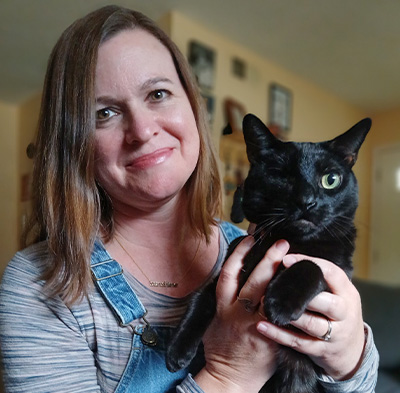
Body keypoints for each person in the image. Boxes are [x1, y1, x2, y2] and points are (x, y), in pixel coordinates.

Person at [0, 5, 378, 393]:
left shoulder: (248, 242)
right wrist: (228, 375)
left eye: (158, 93)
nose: (143, 130)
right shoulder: (39, 284)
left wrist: (351, 361)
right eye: (105, 113)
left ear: (193, 107)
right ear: (72, 141)